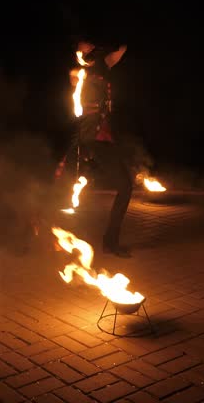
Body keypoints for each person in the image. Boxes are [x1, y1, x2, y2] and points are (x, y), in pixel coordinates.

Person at [56, 40, 133, 257]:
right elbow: (76, 80)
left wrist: (115, 48)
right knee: (123, 186)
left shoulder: (101, 65)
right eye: (81, 46)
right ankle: (108, 242)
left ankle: (110, 241)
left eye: (89, 44)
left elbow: (118, 53)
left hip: (103, 137)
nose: (86, 47)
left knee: (125, 186)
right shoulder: (78, 72)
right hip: (90, 137)